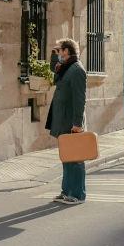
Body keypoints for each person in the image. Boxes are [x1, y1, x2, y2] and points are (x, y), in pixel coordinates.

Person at [45, 38, 87, 205]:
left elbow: (80, 99)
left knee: (75, 158)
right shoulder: (66, 67)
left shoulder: (77, 70)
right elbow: (54, 72)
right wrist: (53, 56)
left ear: (67, 51)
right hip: (63, 120)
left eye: (60, 50)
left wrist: (77, 123)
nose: (58, 52)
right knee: (66, 156)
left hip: (71, 121)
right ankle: (66, 191)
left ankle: (77, 194)